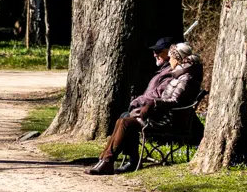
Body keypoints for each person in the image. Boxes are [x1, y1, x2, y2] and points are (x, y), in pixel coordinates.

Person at [87, 39, 204, 175]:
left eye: (171, 57)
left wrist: (153, 104)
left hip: (169, 120)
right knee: (124, 120)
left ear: (178, 59)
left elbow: (175, 101)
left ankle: (111, 161)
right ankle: (106, 161)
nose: (169, 60)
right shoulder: (181, 75)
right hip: (163, 115)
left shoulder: (186, 78)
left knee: (125, 122)